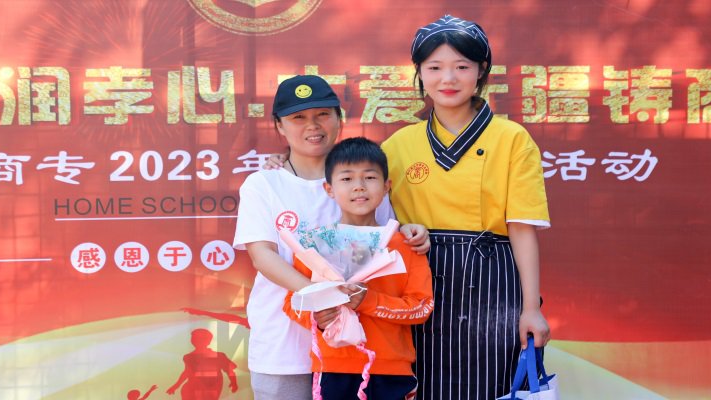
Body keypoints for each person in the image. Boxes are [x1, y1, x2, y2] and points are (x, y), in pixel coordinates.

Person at [381, 15, 552, 398]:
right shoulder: (397, 145)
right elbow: (359, 204)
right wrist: (285, 162)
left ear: (481, 71)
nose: (448, 79)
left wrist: (531, 308)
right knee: (422, 385)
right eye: (434, 68)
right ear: (419, 73)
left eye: (461, 67)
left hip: (493, 288)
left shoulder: (512, 138)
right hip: (418, 286)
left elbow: (522, 228)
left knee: (491, 384)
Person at [233, 75, 430, 400]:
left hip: (357, 353)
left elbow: (384, 247)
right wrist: (322, 297)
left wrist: (410, 230)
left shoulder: (362, 180)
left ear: (339, 119)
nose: (313, 125)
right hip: (284, 348)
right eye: (298, 117)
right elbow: (263, 256)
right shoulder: (263, 183)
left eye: (322, 114)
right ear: (279, 126)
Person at [282, 137, 434, 399]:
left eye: (370, 177)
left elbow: (421, 307)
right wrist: (317, 318)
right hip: (332, 368)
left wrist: (368, 301)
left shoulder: (405, 245)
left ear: (386, 187)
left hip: (392, 370)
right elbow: (292, 303)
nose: (359, 186)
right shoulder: (314, 244)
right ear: (329, 188)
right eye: (347, 178)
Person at [166, 328, 239, 399]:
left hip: (211, 388)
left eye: (200, 338)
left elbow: (229, 370)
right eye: (194, 338)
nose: (197, 340)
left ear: (208, 341)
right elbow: (187, 372)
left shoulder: (219, 356)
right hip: (192, 388)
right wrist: (175, 386)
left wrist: (234, 382)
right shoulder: (188, 357)